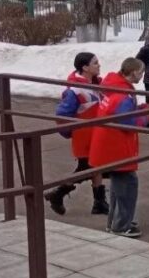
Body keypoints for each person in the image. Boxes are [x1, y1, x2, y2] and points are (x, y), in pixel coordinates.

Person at [88, 58, 149, 237]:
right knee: (128, 185)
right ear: (134, 72)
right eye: (141, 72)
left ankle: (115, 222)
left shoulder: (113, 87)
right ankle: (121, 225)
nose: (142, 75)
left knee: (118, 185)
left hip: (107, 145)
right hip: (117, 147)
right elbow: (129, 123)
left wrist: (138, 109)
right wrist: (145, 115)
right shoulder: (123, 95)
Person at [45, 52, 109, 216]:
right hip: (84, 137)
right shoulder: (75, 90)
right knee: (86, 169)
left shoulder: (96, 84)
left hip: (96, 134)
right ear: (85, 67)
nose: (99, 65)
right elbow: (62, 115)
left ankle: (99, 202)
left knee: (97, 166)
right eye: (95, 63)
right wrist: (69, 132)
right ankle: (58, 194)